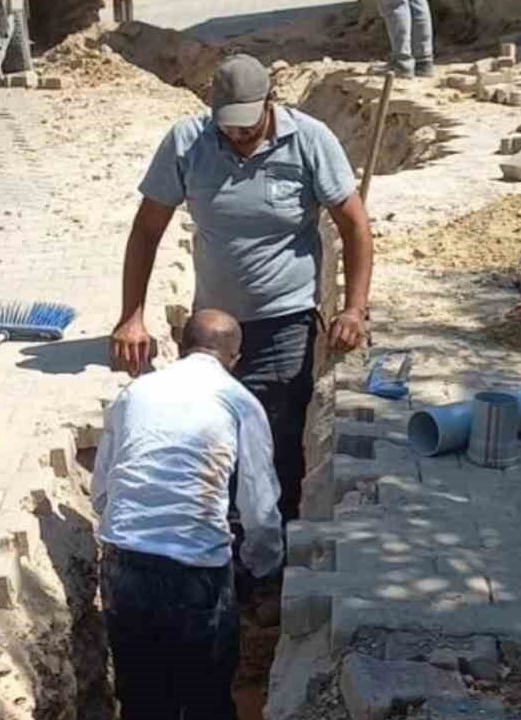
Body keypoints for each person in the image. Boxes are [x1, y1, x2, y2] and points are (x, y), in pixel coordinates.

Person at [111, 54, 373, 523]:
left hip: (285, 321)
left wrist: (353, 309)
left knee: (275, 437)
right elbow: (146, 230)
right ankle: (222, 540)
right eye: (227, 126)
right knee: (212, 435)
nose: (236, 136)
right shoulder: (187, 142)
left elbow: (353, 226)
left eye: (246, 126)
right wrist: (132, 316)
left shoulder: (310, 141)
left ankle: (278, 548)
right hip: (211, 329)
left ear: (270, 103)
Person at [93, 309, 282, 720]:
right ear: (236, 356)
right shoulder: (238, 401)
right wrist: (262, 569)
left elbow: (103, 489)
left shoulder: (135, 393)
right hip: (197, 578)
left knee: (146, 709)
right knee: (207, 706)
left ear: (180, 345)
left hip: (126, 569)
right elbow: (260, 508)